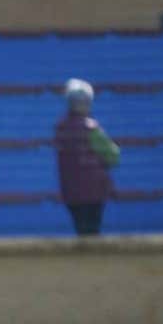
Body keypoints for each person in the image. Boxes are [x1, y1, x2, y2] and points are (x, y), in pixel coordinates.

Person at [53, 78, 119, 237]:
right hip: (95, 192)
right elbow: (113, 156)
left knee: (81, 230)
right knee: (92, 231)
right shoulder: (92, 129)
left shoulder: (60, 128)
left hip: (70, 193)